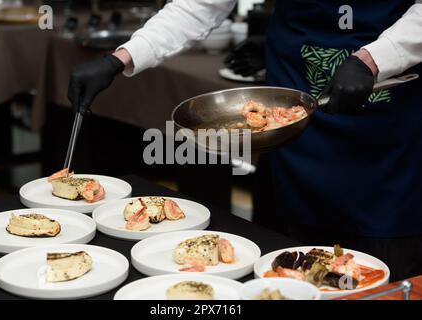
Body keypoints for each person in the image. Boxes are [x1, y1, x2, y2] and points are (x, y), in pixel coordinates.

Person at [68, 1, 422, 280]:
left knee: (377, 274)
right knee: (279, 265)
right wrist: (122, 57)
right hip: (290, 120)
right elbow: (203, 5)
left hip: (383, 136)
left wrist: (374, 58)